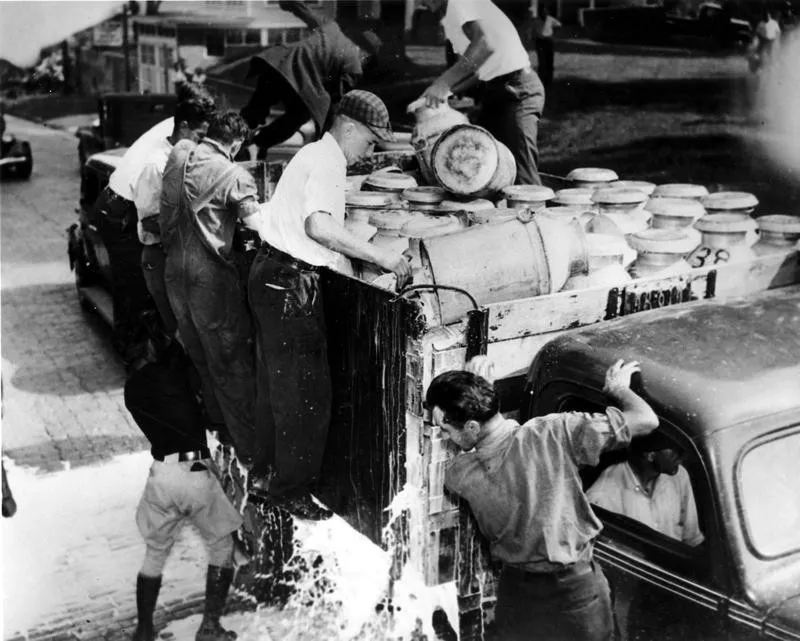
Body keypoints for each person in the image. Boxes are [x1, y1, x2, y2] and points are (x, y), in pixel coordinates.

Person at [247, 90, 412, 521]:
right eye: (370, 142)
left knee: (275, 387)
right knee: (307, 394)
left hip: (272, 274)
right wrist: (383, 258)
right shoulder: (327, 161)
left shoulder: (313, 154)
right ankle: (290, 490)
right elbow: (318, 226)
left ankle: (265, 475)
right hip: (292, 286)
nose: (369, 152)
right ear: (350, 127)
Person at [424, 357, 660, 641]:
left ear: (473, 427)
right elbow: (646, 420)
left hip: (517, 594)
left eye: (446, 431)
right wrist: (618, 389)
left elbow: (498, 453)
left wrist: (478, 391)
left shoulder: (461, 474)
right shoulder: (553, 433)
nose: (446, 438)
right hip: (575, 592)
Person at [124, 319, 242, 641]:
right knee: (221, 547)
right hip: (194, 472)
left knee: (155, 552)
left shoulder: (132, 389)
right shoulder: (176, 370)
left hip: (161, 474)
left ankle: (144, 629)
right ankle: (210, 627)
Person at [160, 111, 260, 477]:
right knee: (232, 365)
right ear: (235, 144)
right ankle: (252, 454)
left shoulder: (181, 156)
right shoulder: (233, 174)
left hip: (174, 273)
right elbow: (257, 225)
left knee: (201, 357)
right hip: (209, 280)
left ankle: (220, 429)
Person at [96, 83, 216, 357]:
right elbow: (151, 216)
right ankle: (135, 363)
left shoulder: (178, 132)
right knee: (133, 289)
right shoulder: (168, 148)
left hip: (136, 202)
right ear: (186, 120)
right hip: (121, 208)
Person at [417, 0, 546, 186]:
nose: (420, 2)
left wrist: (442, 83)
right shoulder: (451, 18)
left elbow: (485, 44)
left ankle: (536, 212)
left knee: (523, 177)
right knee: (480, 169)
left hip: (519, 92)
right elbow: (479, 69)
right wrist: (445, 92)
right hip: (496, 92)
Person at [240, 2, 381, 159]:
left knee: (255, 110)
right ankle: (259, 143)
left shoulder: (331, 28)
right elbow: (337, 104)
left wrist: (289, 3)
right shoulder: (354, 64)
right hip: (301, 83)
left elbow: (306, 12)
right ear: (365, 53)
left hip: (277, 65)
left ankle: (234, 141)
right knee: (298, 116)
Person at [132, 93, 216, 336]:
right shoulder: (155, 164)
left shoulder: (192, 156)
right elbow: (149, 222)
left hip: (184, 253)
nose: (202, 144)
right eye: (199, 136)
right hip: (160, 255)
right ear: (183, 126)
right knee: (179, 332)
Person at [587, 432, 704, 546]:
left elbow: (692, 538)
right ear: (650, 455)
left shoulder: (679, 476)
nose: (682, 455)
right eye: (674, 450)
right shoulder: (603, 495)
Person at [534, 4, 561, 88]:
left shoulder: (550, 19)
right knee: (542, 63)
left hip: (549, 42)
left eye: (546, 11)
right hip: (540, 42)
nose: (544, 12)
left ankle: (549, 81)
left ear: (548, 11)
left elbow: (559, 25)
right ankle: (541, 81)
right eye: (542, 11)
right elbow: (533, 32)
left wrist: (552, 34)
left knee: (550, 62)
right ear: (540, 12)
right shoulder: (536, 20)